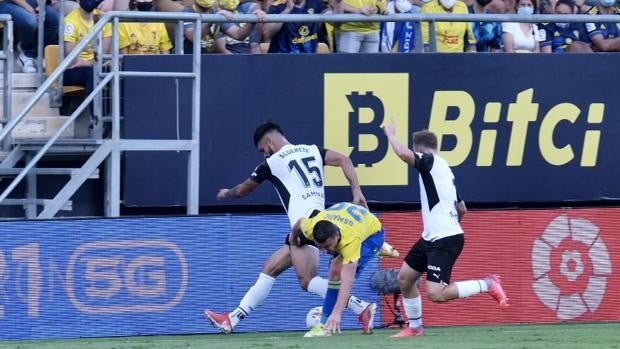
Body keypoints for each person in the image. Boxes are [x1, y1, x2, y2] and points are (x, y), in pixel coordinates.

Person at [204, 121, 378, 334]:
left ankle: (361, 306)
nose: (264, 154)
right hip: (319, 221)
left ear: (269, 141)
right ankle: (232, 319)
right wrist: (356, 190)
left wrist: (227, 193)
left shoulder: (272, 163)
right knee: (270, 268)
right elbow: (344, 159)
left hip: (305, 226)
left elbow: (242, 190)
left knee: (307, 281)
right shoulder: (313, 150)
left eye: (262, 150)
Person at [383, 122, 510, 338]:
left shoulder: (431, 162)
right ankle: (415, 327)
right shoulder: (445, 171)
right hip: (433, 236)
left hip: (444, 239)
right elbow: (462, 207)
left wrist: (390, 134)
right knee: (405, 278)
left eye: (415, 150)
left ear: (418, 148)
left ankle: (488, 284)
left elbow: (403, 154)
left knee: (437, 294)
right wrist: (450, 223)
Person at [289, 202, 395, 337]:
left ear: (337, 235)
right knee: (334, 271)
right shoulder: (311, 226)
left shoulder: (350, 241)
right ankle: (362, 310)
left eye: (328, 246)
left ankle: (324, 326)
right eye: (321, 247)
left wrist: (337, 314)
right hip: (353, 220)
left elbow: (347, 281)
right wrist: (293, 238)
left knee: (337, 272)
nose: (325, 251)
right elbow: (299, 223)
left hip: (372, 236)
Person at [63, 0, 112, 134]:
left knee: (118, 71)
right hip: (71, 70)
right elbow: (72, 57)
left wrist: (91, 62)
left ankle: (116, 117)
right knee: (93, 74)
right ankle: (95, 121)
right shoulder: (70, 20)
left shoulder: (103, 18)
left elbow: (105, 52)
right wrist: (96, 62)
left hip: (91, 65)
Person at [182, 0, 264, 54]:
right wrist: (212, 19)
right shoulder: (187, 12)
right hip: (187, 61)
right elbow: (193, 36)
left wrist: (253, 20)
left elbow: (238, 35)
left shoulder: (216, 12)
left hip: (210, 62)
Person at [0, 0, 59, 73]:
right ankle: (27, 51)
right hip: (6, 3)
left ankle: (28, 54)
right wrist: (31, 11)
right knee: (30, 21)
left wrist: (41, 6)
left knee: (56, 21)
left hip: (33, 2)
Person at [262, 0, 329, 53]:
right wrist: (287, 10)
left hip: (309, 60)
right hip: (282, 61)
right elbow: (266, 33)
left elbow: (335, 23)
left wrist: (337, 4)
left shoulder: (316, 2)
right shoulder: (277, 6)